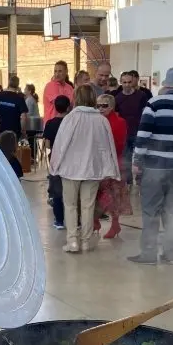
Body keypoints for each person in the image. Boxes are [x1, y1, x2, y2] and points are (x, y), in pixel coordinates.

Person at [127, 68, 173, 265]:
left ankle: (148, 254)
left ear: (166, 85)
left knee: (151, 211)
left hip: (155, 166)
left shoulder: (154, 103)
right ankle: (170, 254)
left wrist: (136, 161)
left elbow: (143, 136)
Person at [50, 85, 119, 253]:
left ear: (76, 98)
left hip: (70, 168)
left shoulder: (70, 119)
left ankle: (72, 240)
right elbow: (108, 145)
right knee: (88, 206)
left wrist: (54, 166)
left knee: (71, 205)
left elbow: (60, 144)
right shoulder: (101, 120)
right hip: (93, 168)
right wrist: (111, 168)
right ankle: (86, 241)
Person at [95, 93, 129, 239]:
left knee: (114, 196)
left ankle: (115, 224)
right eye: (98, 106)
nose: (101, 108)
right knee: (95, 194)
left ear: (112, 106)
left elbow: (119, 144)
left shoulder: (119, 122)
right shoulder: (96, 121)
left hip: (114, 163)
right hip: (98, 163)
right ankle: (95, 221)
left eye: (105, 105)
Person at [115, 70, 154, 186]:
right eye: (124, 82)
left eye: (129, 82)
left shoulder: (141, 96)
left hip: (138, 132)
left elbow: (145, 113)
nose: (127, 85)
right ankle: (129, 183)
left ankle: (140, 183)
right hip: (125, 133)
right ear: (121, 82)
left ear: (133, 82)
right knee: (126, 159)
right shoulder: (117, 98)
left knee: (139, 159)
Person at [43, 95, 70, 229]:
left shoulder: (50, 123)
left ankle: (59, 220)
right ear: (69, 106)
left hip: (55, 158)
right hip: (71, 158)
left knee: (57, 190)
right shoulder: (71, 122)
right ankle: (75, 220)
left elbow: (47, 145)